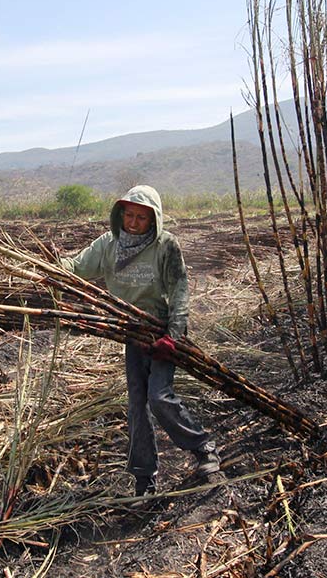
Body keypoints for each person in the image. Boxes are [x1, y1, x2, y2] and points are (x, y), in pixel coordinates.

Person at [61, 185, 220, 497]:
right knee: (136, 406)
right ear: (120, 215)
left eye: (141, 218)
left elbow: (179, 292)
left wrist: (172, 336)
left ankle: (203, 448)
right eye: (129, 215)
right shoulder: (108, 244)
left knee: (159, 396)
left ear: (154, 220)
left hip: (162, 332)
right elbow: (76, 265)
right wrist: (53, 269)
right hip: (132, 333)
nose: (133, 223)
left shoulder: (166, 246)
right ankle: (144, 479)